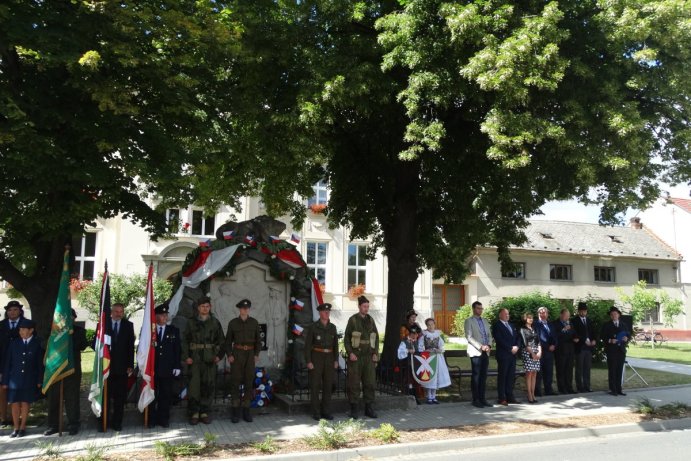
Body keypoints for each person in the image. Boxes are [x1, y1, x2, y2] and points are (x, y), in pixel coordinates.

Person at [44, 309, 88, 436]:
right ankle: (53, 425)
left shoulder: (79, 331)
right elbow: (43, 344)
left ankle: (73, 424)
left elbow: (83, 345)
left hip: (72, 369)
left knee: (72, 398)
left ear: (74, 318)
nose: (68, 319)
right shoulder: (53, 331)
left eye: (71, 317)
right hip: (55, 369)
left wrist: (69, 337)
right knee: (54, 398)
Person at [183, 296, 225, 425]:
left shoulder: (215, 322)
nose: (205, 309)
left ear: (210, 307)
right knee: (194, 386)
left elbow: (222, 341)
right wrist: (186, 357)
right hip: (195, 359)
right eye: (202, 306)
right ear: (198, 308)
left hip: (209, 359)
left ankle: (205, 412)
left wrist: (219, 356)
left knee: (208, 385)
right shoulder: (191, 323)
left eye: (207, 306)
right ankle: (194, 413)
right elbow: (184, 341)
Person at [1, 318, 43, 438]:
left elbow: (39, 364)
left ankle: (23, 426)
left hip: (29, 379)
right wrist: (5, 381)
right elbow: (8, 363)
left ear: (31, 330)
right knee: (14, 403)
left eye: (24, 329)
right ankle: (15, 427)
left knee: (25, 403)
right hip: (14, 379)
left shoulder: (37, 343)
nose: (21, 332)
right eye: (20, 330)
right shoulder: (14, 343)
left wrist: (40, 380)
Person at [97, 302, 135, 432]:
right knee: (105, 397)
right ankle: (103, 422)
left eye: (121, 312)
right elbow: (95, 344)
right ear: (111, 312)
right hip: (105, 367)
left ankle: (117, 423)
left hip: (122, 367)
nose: (119, 314)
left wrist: (130, 364)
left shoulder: (128, 326)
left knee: (120, 398)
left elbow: (130, 347)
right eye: (116, 311)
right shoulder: (103, 325)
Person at [225, 298, 261, 423]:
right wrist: (229, 354)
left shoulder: (254, 323)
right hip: (237, 353)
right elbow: (228, 341)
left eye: (247, 308)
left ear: (249, 309)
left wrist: (256, 354)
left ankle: (246, 410)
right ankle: (235, 411)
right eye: (242, 308)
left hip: (250, 354)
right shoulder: (233, 323)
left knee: (248, 382)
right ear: (239, 309)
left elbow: (258, 341)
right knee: (235, 381)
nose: (245, 310)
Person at [344, 295, 379, 419]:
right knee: (354, 383)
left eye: (368, 306)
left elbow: (376, 336)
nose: (366, 309)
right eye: (364, 306)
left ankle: (368, 408)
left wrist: (375, 353)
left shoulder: (371, 320)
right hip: (356, 356)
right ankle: (354, 409)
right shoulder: (352, 320)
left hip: (369, 356)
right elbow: (347, 339)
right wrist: (350, 353)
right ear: (359, 306)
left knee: (369, 383)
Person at [304, 302, 339, 421]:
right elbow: (308, 345)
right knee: (315, 385)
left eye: (328, 311)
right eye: (325, 311)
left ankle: (326, 411)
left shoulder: (332, 327)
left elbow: (335, 345)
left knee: (328, 385)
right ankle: (316, 412)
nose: (327, 313)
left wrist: (336, 360)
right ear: (320, 313)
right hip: (316, 357)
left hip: (329, 357)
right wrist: (309, 361)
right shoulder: (313, 327)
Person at [151, 302, 181, 428]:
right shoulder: (150, 331)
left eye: (165, 315)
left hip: (167, 369)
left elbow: (177, 349)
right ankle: (151, 419)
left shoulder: (173, 330)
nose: (164, 317)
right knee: (151, 395)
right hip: (153, 368)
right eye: (162, 315)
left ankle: (164, 419)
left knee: (165, 395)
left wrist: (177, 366)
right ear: (156, 316)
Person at [0, 300, 25, 427]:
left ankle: (16, 418)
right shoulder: (1, 325)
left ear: (20, 311)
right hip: (3, 363)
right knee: (2, 391)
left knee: (18, 391)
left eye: (15, 309)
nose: (12, 312)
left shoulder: (26, 324)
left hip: (19, 362)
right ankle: (3, 418)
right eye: (9, 310)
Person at [465, 301, 493, 408]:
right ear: (473, 309)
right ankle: (475, 399)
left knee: (483, 376)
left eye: (481, 308)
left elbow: (490, 335)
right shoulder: (469, 321)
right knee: (476, 376)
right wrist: (481, 346)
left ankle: (483, 398)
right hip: (476, 352)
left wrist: (489, 345)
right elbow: (469, 337)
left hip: (486, 351)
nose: (480, 310)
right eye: (478, 308)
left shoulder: (485, 321)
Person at [419, 318, 452, 404]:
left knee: (436, 376)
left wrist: (439, 350)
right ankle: (429, 396)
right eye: (428, 325)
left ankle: (434, 396)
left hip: (437, 358)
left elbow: (442, 346)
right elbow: (420, 347)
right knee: (430, 375)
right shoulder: (424, 335)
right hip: (428, 358)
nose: (430, 326)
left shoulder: (438, 335)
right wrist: (426, 351)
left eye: (432, 324)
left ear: (434, 324)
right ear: (427, 326)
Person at [491, 308, 519, 405]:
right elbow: (499, 339)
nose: (508, 315)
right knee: (503, 376)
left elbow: (517, 337)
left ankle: (510, 396)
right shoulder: (497, 325)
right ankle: (502, 398)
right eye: (505, 314)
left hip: (513, 355)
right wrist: (510, 348)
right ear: (500, 315)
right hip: (503, 354)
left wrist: (517, 346)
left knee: (511, 376)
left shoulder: (511, 325)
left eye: (508, 314)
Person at [600, 306, 629, 396]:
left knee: (619, 370)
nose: (614, 316)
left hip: (621, 350)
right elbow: (602, 336)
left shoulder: (623, 324)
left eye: (615, 314)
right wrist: (610, 340)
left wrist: (626, 338)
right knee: (612, 369)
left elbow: (628, 334)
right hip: (611, 350)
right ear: (610, 316)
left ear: (619, 315)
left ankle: (619, 389)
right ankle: (613, 389)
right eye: (612, 315)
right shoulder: (607, 325)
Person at [573, 302, 597, 393]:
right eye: (581, 311)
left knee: (587, 368)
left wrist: (594, 340)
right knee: (579, 368)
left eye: (585, 311)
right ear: (578, 311)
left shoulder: (589, 320)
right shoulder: (574, 321)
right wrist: (584, 340)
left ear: (586, 312)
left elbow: (593, 332)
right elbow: (575, 334)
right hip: (580, 347)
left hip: (588, 348)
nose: (583, 313)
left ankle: (587, 386)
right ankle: (580, 386)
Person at [534, 306, 558, 396]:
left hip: (550, 352)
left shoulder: (550, 324)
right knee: (539, 372)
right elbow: (537, 338)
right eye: (541, 313)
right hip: (540, 351)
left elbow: (555, 336)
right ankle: (537, 391)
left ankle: (548, 390)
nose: (543, 314)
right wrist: (547, 346)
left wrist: (554, 345)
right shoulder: (535, 324)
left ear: (547, 314)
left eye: (544, 313)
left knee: (549, 371)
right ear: (538, 314)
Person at [397, 324, 423, 404]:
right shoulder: (404, 341)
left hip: (417, 365)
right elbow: (400, 353)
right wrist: (408, 351)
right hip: (408, 365)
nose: (414, 335)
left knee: (416, 381)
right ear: (409, 334)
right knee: (409, 381)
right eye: (412, 334)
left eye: (415, 334)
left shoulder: (418, 342)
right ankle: (409, 396)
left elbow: (422, 351)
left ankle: (416, 397)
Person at [519, 313, 542, 404]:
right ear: (525, 319)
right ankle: (529, 394)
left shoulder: (534, 329)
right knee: (529, 373)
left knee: (534, 373)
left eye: (532, 318)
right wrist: (532, 353)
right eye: (529, 318)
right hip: (528, 352)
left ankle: (533, 393)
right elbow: (525, 343)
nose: (531, 319)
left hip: (536, 352)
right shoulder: (522, 329)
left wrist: (540, 352)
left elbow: (538, 342)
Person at [553, 308, 576, 394]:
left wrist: (575, 338)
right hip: (560, 350)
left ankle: (569, 387)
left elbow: (573, 332)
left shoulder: (570, 323)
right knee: (561, 370)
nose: (567, 318)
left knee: (569, 369)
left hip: (570, 349)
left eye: (568, 316)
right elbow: (555, 335)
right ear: (561, 315)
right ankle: (562, 388)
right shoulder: (555, 323)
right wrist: (564, 329)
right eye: (566, 316)